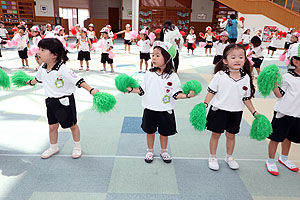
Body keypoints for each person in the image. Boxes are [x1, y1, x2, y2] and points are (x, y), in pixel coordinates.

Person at [26, 38, 99, 159]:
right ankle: (53, 147)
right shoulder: (42, 68)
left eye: (43, 50)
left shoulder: (63, 69)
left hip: (65, 102)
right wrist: (29, 82)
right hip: (50, 102)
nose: (38, 52)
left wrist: (91, 90)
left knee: (72, 125)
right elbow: (37, 79)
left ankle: (77, 146)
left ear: (54, 55)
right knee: (52, 126)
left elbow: (78, 81)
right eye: (39, 49)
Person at [125, 41, 196, 163]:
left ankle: (164, 151)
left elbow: (176, 93)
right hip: (150, 109)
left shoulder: (173, 76)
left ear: (167, 58)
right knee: (150, 131)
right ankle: (150, 150)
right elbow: (142, 90)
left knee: (164, 133)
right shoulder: (149, 74)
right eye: (153, 55)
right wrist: (130, 89)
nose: (153, 58)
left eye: (157, 55)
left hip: (166, 110)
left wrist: (188, 96)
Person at [203, 43, 258, 171]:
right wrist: (204, 105)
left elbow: (246, 98)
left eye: (240, 57)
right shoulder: (220, 76)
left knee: (231, 135)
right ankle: (212, 157)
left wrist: (254, 112)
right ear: (225, 60)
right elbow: (211, 92)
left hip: (236, 112)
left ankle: (229, 157)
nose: (237, 60)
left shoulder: (245, 78)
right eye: (233, 57)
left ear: (245, 60)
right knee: (216, 134)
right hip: (219, 110)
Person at [265, 43, 300, 176]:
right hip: (283, 113)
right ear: (295, 61)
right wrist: (274, 84)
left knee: (289, 137)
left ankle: (284, 158)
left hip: (297, 114)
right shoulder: (287, 77)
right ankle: (271, 160)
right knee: (276, 137)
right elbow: (279, 94)